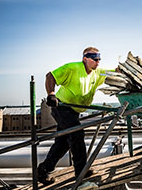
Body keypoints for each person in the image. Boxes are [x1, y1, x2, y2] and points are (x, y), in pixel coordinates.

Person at [37, 47, 113, 185]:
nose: (98, 62)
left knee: (63, 143)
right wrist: (51, 94)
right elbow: (50, 76)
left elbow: (116, 73)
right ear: (85, 59)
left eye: (99, 59)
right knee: (77, 134)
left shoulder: (98, 72)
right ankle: (81, 171)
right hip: (62, 107)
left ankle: (44, 170)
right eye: (94, 59)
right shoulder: (72, 68)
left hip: (74, 111)